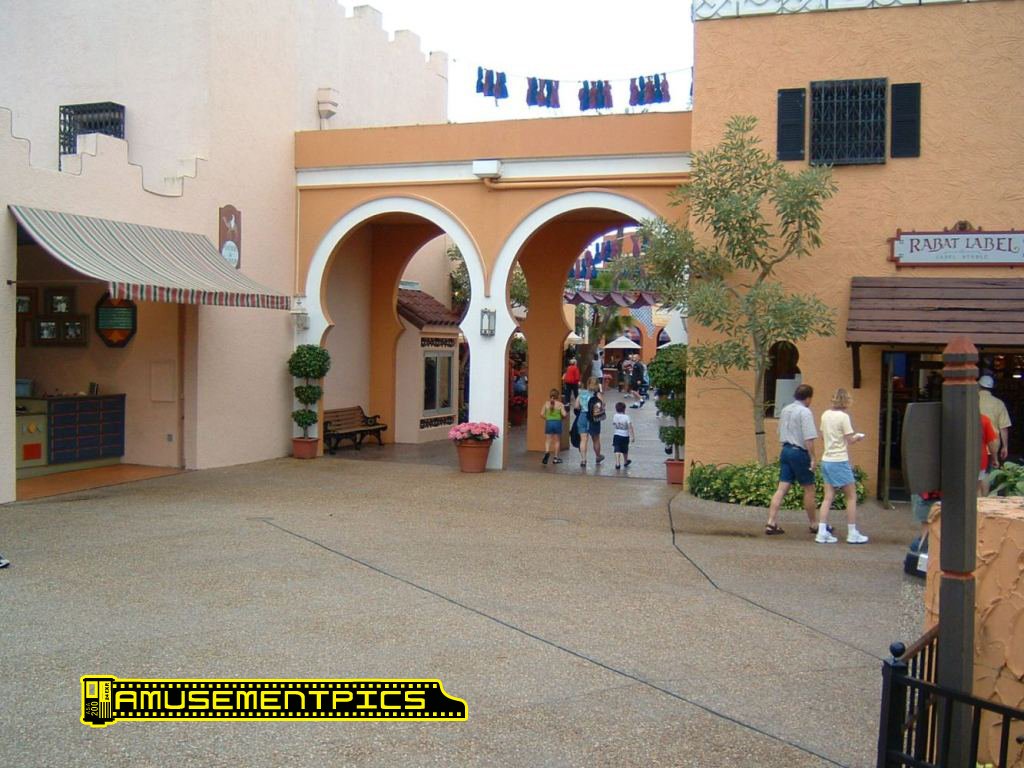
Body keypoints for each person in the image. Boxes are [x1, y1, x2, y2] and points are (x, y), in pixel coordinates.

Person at [765, 384, 821, 536]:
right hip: (799, 452)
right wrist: (813, 458)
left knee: (782, 488)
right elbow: (809, 438)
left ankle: (771, 522)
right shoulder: (805, 412)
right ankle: (814, 524)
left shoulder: (785, 409)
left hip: (786, 450)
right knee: (809, 488)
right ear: (808, 398)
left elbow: (779, 431)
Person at [816, 388, 868, 544]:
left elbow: (822, 436)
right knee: (851, 496)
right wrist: (858, 437)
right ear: (846, 401)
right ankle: (852, 532)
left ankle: (822, 531)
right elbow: (850, 439)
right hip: (839, 460)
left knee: (828, 497)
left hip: (827, 459)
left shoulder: (825, 414)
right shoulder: (844, 417)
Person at [978, 375, 1011, 463]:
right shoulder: (999, 403)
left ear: (978, 385)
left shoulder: (971, 401)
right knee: (991, 469)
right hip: (992, 447)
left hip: (973, 445)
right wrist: (1005, 447)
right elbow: (1003, 428)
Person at [575, 377, 605, 467]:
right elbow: (603, 405)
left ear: (588, 383)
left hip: (582, 416)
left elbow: (576, 406)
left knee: (583, 439)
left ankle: (583, 460)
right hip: (593, 418)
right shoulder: (597, 394)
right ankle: (598, 456)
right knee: (596, 439)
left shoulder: (581, 393)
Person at [541, 388, 567, 465]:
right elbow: (564, 414)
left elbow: (541, 414)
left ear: (550, 395)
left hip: (549, 423)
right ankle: (555, 458)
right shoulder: (560, 404)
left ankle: (547, 452)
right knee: (557, 441)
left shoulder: (546, 403)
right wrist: (563, 416)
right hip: (557, 423)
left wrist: (547, 418)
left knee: (548, 440)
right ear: (557, 396)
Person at [979, 413, 1001, 496]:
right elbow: (992, 442)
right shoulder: (984, 419)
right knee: (976, 488)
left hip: (953, 460)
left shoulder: (951, 419)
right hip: (979, 460)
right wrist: (995, 458)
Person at [612, 401, 636, 470]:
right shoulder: (626, 417)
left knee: (617, 448)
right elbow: (630, 427)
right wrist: (633, 436)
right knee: (625, 449)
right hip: (625, 435)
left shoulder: (615, 416)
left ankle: (617, 463)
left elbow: (614, 424)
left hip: (617, 435)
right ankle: (625, 461)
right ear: (624, 409)